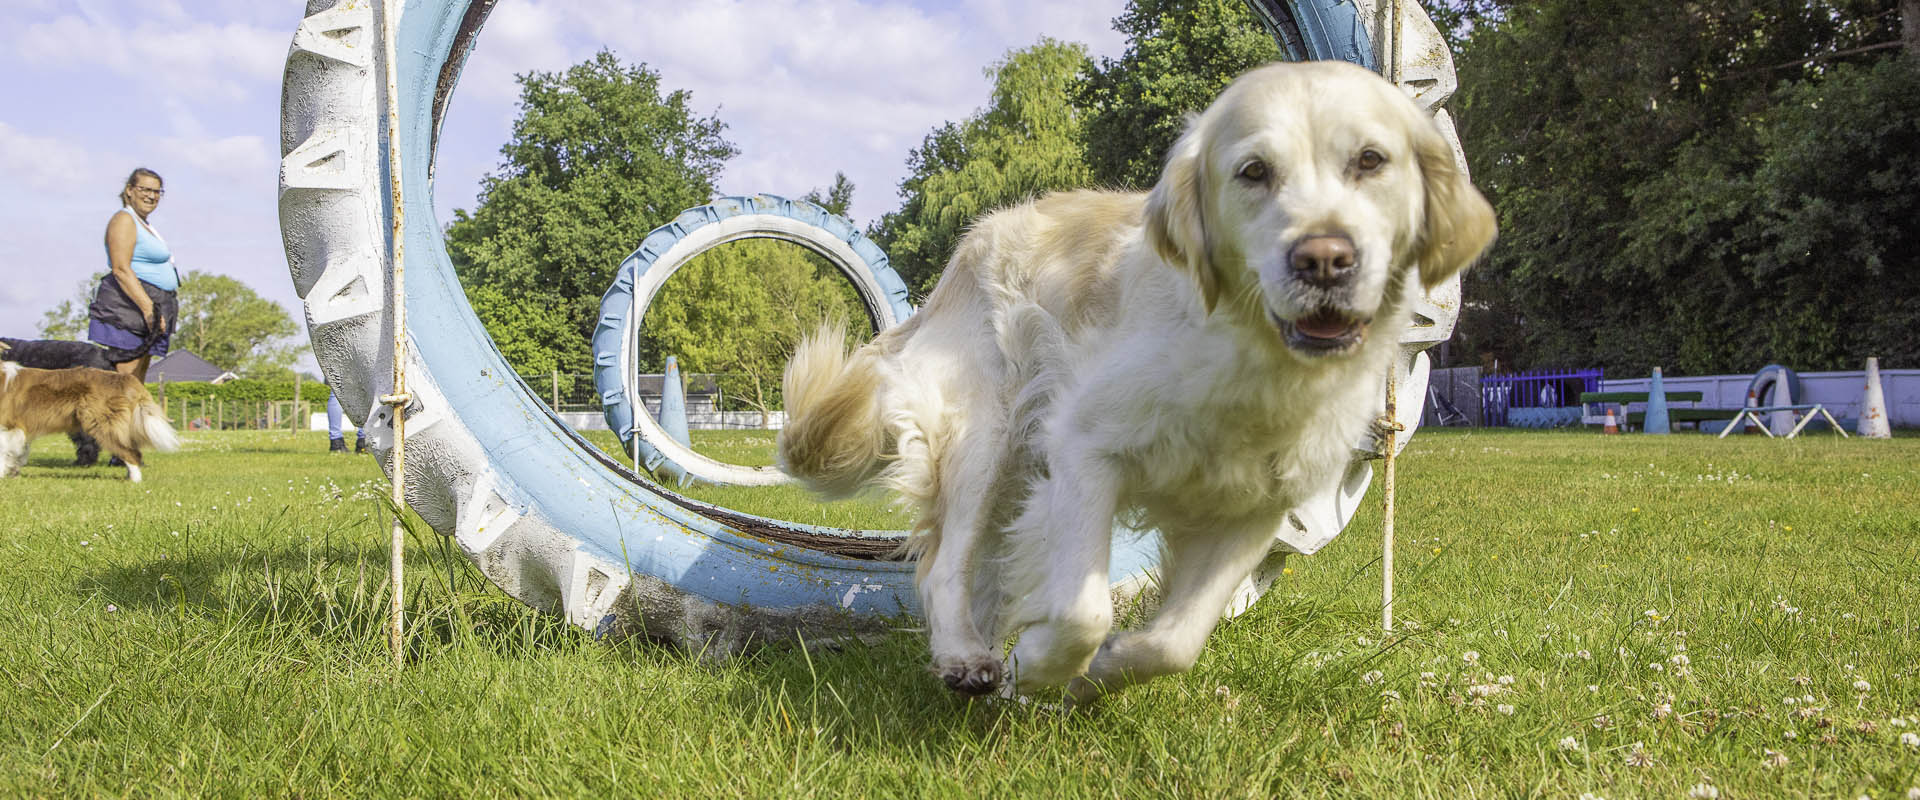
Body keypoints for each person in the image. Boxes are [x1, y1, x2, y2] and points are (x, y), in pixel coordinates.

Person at [88, 168, 179, 382]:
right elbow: (121, 268)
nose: (151, 196)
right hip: (127, 311)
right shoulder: (124, 219)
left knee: (136, 383)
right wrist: (149, 310)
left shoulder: (144, 224)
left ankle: (133, 416)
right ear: (129, 190)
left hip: (147, 309)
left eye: (157, 191)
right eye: (145, 189)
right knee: (123, 384)